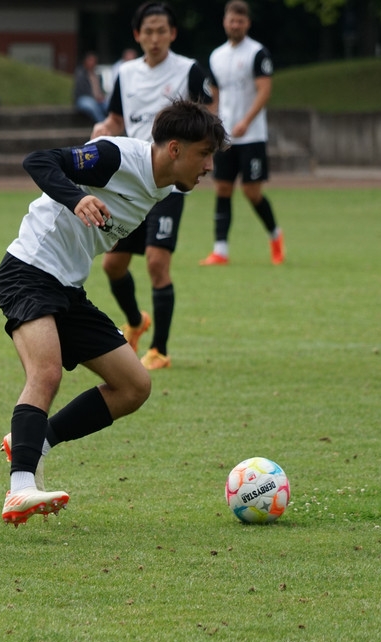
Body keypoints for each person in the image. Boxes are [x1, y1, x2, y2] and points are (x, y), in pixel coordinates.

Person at [0, 100, 225, 526]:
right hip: (28, 270)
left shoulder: (166, 188)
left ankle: (34, 440)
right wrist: (77, 198)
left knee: (134, 386)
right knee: (46, 373)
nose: (209, 166)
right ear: (175, 149)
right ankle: (20, 487)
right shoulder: (115, 155)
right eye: (204, 154)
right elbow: (38, 161)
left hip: (68, 286)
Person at [91, 2, 214, 370]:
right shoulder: (125, 73)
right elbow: (116, 118)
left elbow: (209, 119)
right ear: (137, 35)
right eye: (148, 31)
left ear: (173, 33)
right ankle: (135, 321)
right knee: (112, 265)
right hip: (132, 181)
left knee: (157, 263)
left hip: (168, 184)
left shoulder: (189, 71)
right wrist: (104, 129)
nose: (155, 38)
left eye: (162, 31)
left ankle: (159, 349)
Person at [200, 0, 285, 267]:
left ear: (247, 23)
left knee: (251, 191)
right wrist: (213, 122)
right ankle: (220, 250)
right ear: (225, 22)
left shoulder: (257, 53)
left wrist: (246, 121)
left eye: (240, 21)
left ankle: (275, 236)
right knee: (223, 188)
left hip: (252, 136)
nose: (235, 25)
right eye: (231, 20)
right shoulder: (216, 56)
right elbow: (214, 94)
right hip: (226, 137)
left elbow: (264, 90)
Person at [73, 51, 106, 123]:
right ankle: (102, 124)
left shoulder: (98, 75)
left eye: (93, 61)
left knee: (109, 105)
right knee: (92, 106)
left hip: (98, 100)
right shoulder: (81, 74)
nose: (92, 63)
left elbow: (101, 89)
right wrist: (95, 97)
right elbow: (81, 90)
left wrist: (102, 96)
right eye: (90, 60)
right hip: (84, 98)